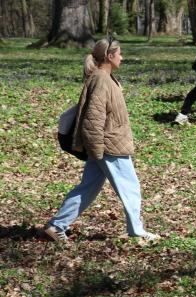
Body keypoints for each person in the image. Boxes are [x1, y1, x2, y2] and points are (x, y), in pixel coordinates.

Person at [44, 37, 159, 242]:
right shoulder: (101, 80)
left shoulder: (105, 78)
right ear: (109, 56)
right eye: (119, 53)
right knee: (130, 188)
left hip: (104, 145)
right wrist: (97, 150)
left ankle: (57, 225)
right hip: (109, 145)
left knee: (87, 188)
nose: (122, 57)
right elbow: (93, 118)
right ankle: (137, 231)